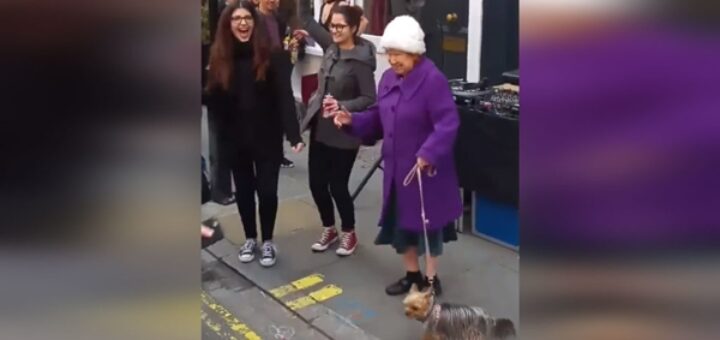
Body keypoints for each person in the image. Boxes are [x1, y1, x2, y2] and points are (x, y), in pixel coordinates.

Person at [328, 15, 461, 296]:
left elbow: (448, 123)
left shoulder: (433, 80)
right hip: (397, 170)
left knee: (428, 228)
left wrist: (428, 152)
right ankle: (412, 276)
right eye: (389, 53)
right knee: (403, 226)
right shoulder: (388, 79)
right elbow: (379, 116)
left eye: (397, 54)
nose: (392, 60)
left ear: (414, 52)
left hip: (425, 172)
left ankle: (431, 279)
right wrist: (352, 120)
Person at [205, 0, 304, 267]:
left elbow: (285, 97)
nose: (242, 23)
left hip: (267, 137)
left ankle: (268, 241)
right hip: (236, 139)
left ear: (254, 23)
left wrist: (293, 135)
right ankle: (250, 237)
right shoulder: (219, 59)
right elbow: (212, 100)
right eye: (236, 18)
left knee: (268, 192)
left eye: (247, 18)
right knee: (246, 192)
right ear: (229, 25)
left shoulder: (273, 56)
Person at [295, 1, 376, 256]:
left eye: (341, 26)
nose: (335, 30)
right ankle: (329, 228)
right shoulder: (331, 47)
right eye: (332, 25)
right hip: (321, 128)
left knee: (337, 186)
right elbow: (306, 19)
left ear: (353, 28)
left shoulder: (360, 62)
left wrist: (342, 104)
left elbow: (369, 98)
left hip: (344, 132)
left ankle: (349, 233)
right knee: (316, 184)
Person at [255, 0, 297, 168]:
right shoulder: (254, 20)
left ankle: (278, 154)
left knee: (279, 114)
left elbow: (281, 43)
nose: (274, 0)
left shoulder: (278, 19)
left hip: (279, 70)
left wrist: (290, 46)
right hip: (261, 74)